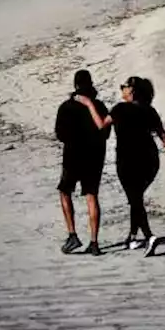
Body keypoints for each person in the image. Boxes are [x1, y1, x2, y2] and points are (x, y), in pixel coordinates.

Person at [76, 76, 165, 256]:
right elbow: (163, 135)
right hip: (150, 160)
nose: (121, 89)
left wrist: (89, 105)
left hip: (128, 160)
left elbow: (102, 126)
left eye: (124, 87)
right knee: (136, 198)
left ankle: (149, 237)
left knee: (135, 199)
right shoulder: (149, 110)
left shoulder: (119, 109)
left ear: (132, 90)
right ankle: (132, 237)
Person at [55, 69, 110, 255]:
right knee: (92, 196)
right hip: (95, 156)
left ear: (75, 86)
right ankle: (94, 242)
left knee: (64, 192)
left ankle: (72, 234)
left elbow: (60, 135)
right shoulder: (99, 106)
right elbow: (106, 133)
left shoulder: (66, 107)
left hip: (73, 156)